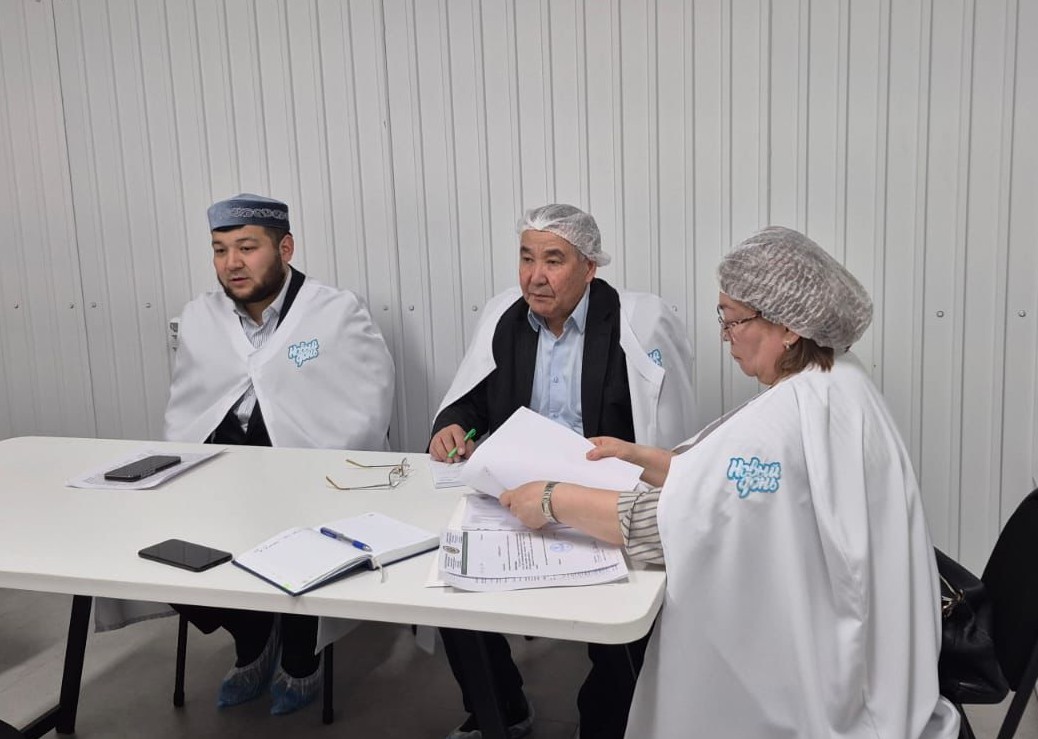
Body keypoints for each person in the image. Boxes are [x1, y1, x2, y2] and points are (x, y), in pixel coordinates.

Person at [501, 227, 961, 738]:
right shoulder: (838, 381)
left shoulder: (781, 424)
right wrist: (638, 456)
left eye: (733, 319)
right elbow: (729, 485)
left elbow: (666, 525)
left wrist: (551, 498)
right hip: (870, 648)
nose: (726, 336)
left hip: (825, 681)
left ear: (788, 326)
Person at [430, 204, 697, 739]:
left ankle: (605, 721)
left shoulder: (632, 324)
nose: (535, 276)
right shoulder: (506, 319)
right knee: (449, 587)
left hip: (599, 494)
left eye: (553, 260)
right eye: (526, 258)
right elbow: (473, 398)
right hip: (517, 495)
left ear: (590, 267)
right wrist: (451, 424)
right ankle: (502, 709)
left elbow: (662, 428)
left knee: (623, 617)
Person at [165, 193, 394, 715]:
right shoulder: (200, 316)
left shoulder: (334, 312)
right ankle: (251, 635)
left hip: (308, 476)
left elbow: (368, 405)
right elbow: (188, 407)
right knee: (159, 541)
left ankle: (298, 651)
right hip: (219, 473)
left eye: (247, 247)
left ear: (284, 248)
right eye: (220, 249)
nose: (232, 263)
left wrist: (311, 456)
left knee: (303, 536)